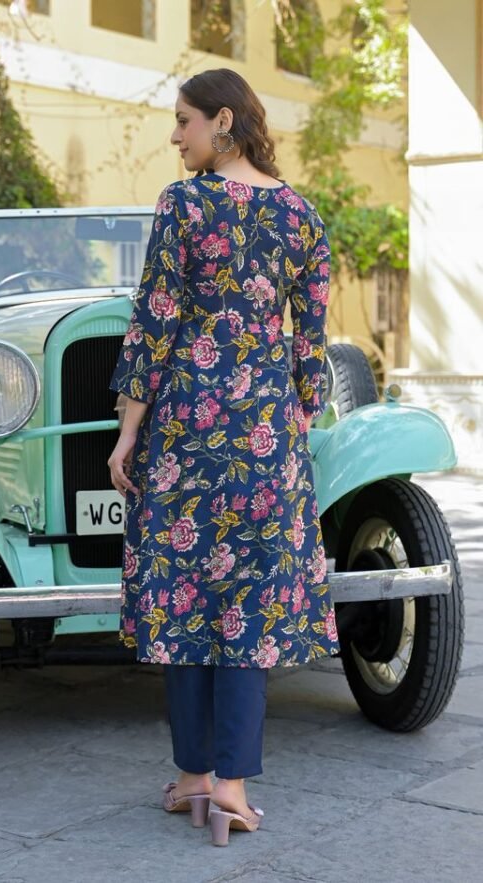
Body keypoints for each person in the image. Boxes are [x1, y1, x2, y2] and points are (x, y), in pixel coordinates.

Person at [108, 68, 339, 846]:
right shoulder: (301, 215)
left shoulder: (184, 204)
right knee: (250, 609)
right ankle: (233, 788)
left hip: (186, 430)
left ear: (224, 121)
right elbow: (311, 344)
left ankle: (194, 777)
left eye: (184, 120)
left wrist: (128, 431)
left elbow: (156, 320)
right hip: (267, 439)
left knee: (185, 596)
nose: (176, 136)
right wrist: (293, 426)